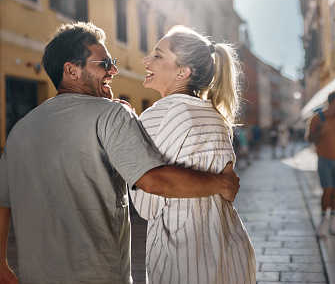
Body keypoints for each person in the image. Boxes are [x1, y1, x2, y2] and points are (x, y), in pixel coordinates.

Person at [0, 22, 240, 284]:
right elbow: (153, 181)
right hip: (100, 276)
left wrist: (1, 264)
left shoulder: (19, 131)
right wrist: (221, 182)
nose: (113, 69)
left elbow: (3, 202)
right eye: (103, 64)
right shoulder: (112, 113)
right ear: (71, 70)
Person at [129, 25, 256, 283]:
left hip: (181, 256)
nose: (146, 60)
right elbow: (228, 188)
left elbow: (146, 202)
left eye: (158, 55)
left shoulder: (157, 115)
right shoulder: (217, 117)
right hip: (228, 248)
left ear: (182, 72)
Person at [306, 92, 335, 237]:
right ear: (334, 101)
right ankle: (323, 221)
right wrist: (320, 130)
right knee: (327, 190)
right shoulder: (317, 118)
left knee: (334, 192)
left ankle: (333, 221)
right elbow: (310, 139)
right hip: (324, 160)